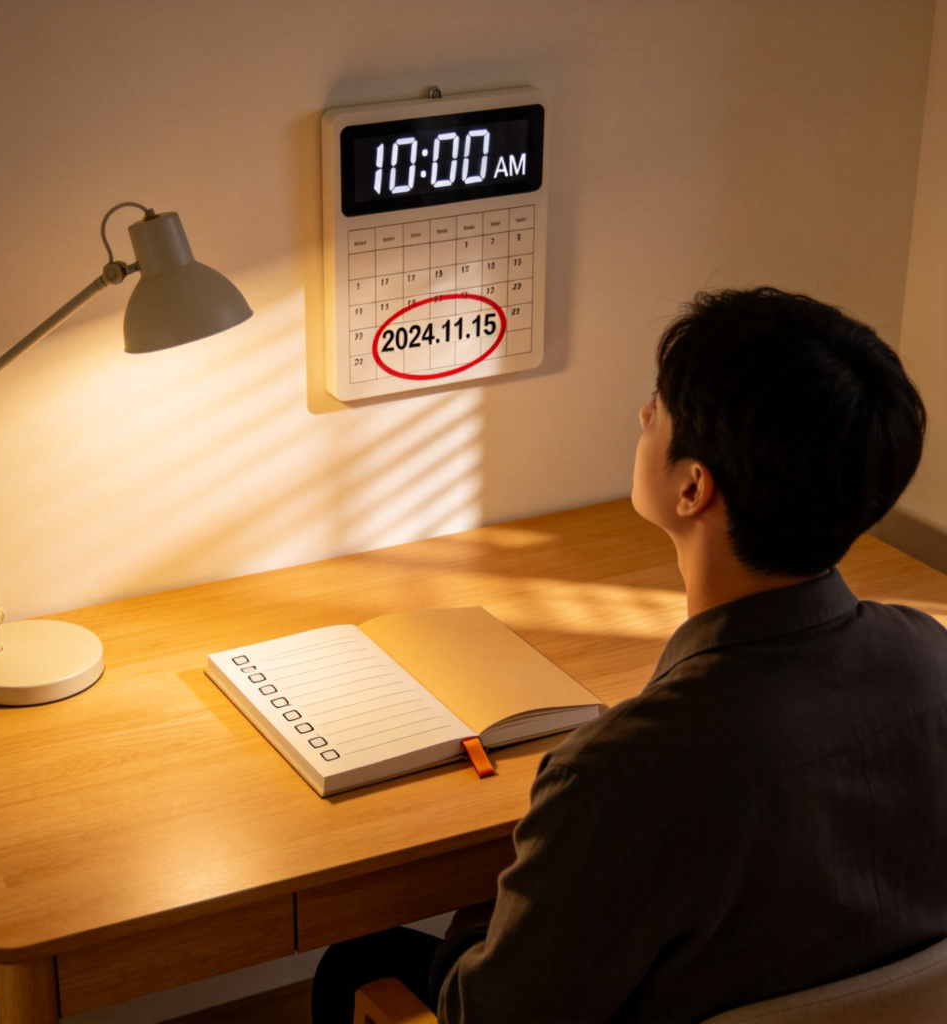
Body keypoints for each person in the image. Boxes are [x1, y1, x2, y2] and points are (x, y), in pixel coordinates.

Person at [312, 286, 947, 1023]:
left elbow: (487, 1015)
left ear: (693, 487)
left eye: (661, 402)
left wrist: (503, 900)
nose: (645, 414)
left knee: (355, 964)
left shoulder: (618, 778)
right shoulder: (931, 660)